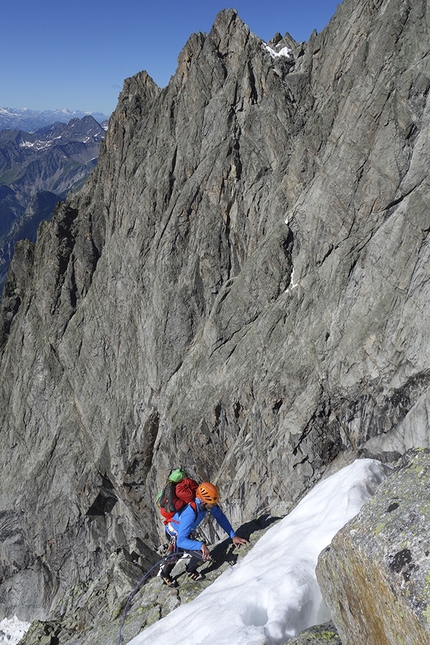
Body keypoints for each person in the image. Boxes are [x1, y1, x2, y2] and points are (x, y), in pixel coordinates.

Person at [159, 481, 249, 587]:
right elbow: (180, 541)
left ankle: (190, 570)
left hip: (185, 532)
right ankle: (164, 574)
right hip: (174, 533)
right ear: (203, 501)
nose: (214, 505)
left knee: (202, 554)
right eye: (212, 503)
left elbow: (220, 517)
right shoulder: (190, 513)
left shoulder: (205, 505)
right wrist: (200, 545)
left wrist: (233, 536)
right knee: (178, 554)